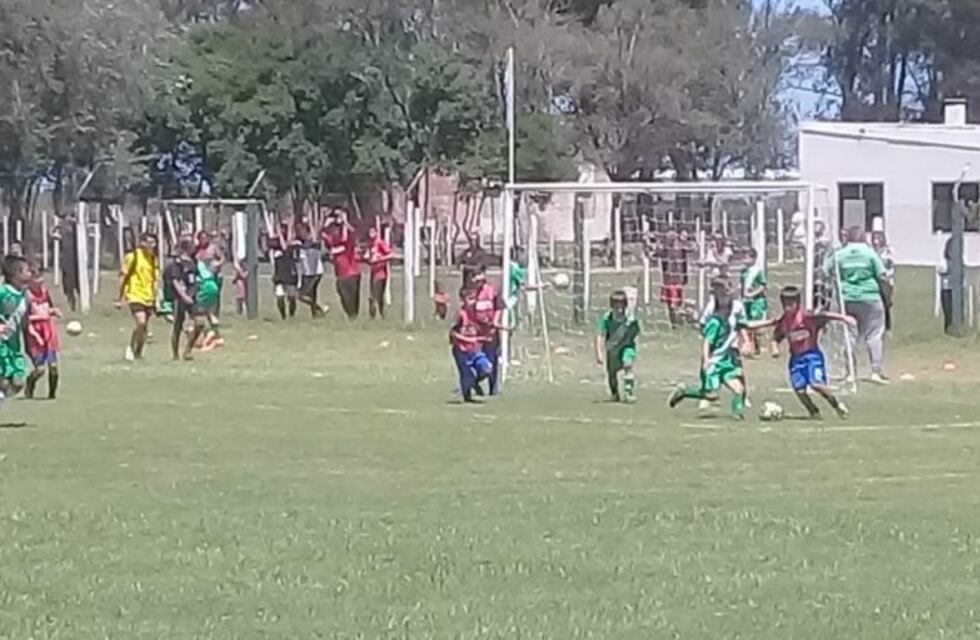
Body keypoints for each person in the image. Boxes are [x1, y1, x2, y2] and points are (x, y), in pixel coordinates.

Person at [749, 286, 853, 420]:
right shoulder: (784, 321)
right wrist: (774, 348)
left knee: (816, 384)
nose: (788, 307)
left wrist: (844, 318)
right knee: (800, 390)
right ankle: (814, 412)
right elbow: (776, 336)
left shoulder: (807, 317)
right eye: (785, 304)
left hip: (812, 356)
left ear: (797, 303)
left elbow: (826, 315)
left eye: (791, 303)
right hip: (796, 359)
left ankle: (836, 404)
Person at [669, 282, 747, 420]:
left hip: (727, 359)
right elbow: (707, 339)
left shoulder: (736, 308)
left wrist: (748, 339)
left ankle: (737, 415)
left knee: (738, 388)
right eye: (721, 294)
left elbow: (744, 325)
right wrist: (706, 359)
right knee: (711, 394)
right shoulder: (714, 320)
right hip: (713, 361)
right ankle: (684, 391)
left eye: (727, 293)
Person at [823, 226, 889, 384]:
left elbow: (826, 270)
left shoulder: (840, 254)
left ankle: (850, 372)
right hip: (870, 297)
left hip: (847, 298)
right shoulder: (870, 253)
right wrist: (887, 295)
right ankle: (875, 371)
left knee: (849, 335)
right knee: (874, 334)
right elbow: (882, 275)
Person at [595, 290, 641, 403]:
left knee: (628, 364)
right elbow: (600, 334)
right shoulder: (607, 317)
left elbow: (636, 332)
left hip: (627, 347)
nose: (618, 307)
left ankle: (629, 392)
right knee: (612, 373)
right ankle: (615, 394)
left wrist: (632, 326)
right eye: (616, 304)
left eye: (621, 303)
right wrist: (599, 353)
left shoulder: (630, 317)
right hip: (612, 349)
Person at [119, 232, 158, 361]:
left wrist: (156, 296)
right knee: (141, 321)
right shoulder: (133, 257)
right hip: (135, 294)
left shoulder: (152, 259)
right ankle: (131, 347)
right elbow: (123, 276)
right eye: (149, 242)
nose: (152, 245)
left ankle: (138, 352)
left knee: (144, 327)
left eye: (154, 243)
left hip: (148, 296)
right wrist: (120, 296)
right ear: (142, 243)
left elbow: (154, 279)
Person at [450, 285, 493, 403]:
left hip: (475, 350)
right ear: (463, 300)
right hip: (461, 350)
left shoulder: (476, 314)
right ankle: (467, 397)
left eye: (474, 298)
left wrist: (488, 333)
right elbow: (453, 334)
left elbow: (482, 327)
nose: (473, 302)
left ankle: (474, 383)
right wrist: (469, 340)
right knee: (466, 375)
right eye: (470, 299)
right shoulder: (461, 315)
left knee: (487, 369)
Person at [165, 236, 205, 361]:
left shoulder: (193, 261)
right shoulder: (177, 263)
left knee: (200, 323)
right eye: (193, 245)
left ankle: (188, 350)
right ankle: (175, 354)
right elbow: (176, 281)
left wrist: (197, 290)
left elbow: (195, 277)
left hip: (192, 296)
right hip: (180, 298)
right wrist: (184, 296)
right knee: (178, 326)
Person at [24, 268, 61, 399]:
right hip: (34, 332)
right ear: (30, 281)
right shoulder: (27, 296)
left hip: (48, 331)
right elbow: (24, 318)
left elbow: (48, 308)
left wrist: (54, 311)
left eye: (41, 278)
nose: (40, 282)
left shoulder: (45, 291)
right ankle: (30, 384)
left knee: (53, 366)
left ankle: (52, 395)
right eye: (37, 279)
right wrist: (35, 334)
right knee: (40, 369)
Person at [0, 255, 31, 409]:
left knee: (18, 383)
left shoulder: (25, 295)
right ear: (16, 273)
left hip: (14, 345)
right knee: (3, 381)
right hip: (1, 344)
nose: (29, 274)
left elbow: (23, 320)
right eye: (26, 271)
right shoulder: (2, 292)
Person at [471, 266, 504, 395]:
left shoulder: (492, 291)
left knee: (491, 361)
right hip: (477, 333)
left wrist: (495, 321)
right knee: (478, 361)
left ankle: (493, 389)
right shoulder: (471, 294)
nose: (478, 283)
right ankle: (472, 381)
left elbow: (499, 306)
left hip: (490, 333)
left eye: (481, 279)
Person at [323, 214, 361, 319]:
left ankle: (353, 316)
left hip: (352, 272)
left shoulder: (348, 240)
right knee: (342, 294)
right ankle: (351, 315)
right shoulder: (333, 242)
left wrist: (344, 221)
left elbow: (350, 233)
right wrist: (326, 224)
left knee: (352, 297)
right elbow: (324, 236)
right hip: (340, 274)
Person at [654, 230, 689, 329]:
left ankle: (677, 320)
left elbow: (693, 248)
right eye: (668, 238)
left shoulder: (680, 247)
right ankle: (673, 322)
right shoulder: (664, 249)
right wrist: (649, 242)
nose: (670, 240)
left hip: (677, 279)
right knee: (669, 303)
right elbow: (653, 254)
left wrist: (685, 240)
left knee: (676, 302)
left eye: (672, 238)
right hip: (667, 280)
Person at [739, 248, 767, 355]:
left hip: (756, 302)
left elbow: (762, 286)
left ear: (753, 258)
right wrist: (742, 296)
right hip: (746, 301)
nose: (744, 259)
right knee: (746, 322)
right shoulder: (743, 272)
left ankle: (757, 346)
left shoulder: (758, 271)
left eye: (746, 257)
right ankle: (748, 344)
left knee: (756, 323)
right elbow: (743, 286)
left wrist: (753, 294)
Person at [296, 222, 327, 317]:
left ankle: (320, 307)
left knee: (302, 295)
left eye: (301, 231)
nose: (299, 233)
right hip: (306, 273)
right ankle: (315, 314)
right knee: (312, 294)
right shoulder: (301, 243)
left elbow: (315, 238)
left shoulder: (313, 242)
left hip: (315, 273)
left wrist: (310, 221)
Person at [270, 223, 300, 320]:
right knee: (280, 297)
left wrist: (287, 227)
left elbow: (285, 246)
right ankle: (283, 315)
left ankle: (291, 315)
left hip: (289, 275)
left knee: (292, 297)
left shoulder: (292, 245)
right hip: (279, 276)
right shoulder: (274, 245)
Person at [366, 226, 393, 319]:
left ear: (377, 233)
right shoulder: (371, 244)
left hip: (381, 274)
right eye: (370, 232)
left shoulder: (380, 242)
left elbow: (390, 254)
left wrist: (380, 258)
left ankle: (379, 314)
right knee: (373, 295)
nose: (371, 234)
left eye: (373, 232)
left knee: (376, 295)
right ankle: (374, 316)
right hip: (373, 272)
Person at [871, 230, 895, 331]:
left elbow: (889, 264)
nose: (876, 240)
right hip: (874, 280)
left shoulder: (888, 250)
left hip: (886, 281)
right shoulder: (870, 250)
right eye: (874, 238)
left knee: (885, 303)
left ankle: (886, 324)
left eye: (878, 238)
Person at [938, 238, 954, 334]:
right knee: (948, 311)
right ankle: (948, 330)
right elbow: (941, 270)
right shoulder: (944, 262)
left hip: (956, 290)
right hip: (946, 289)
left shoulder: (959, 262)